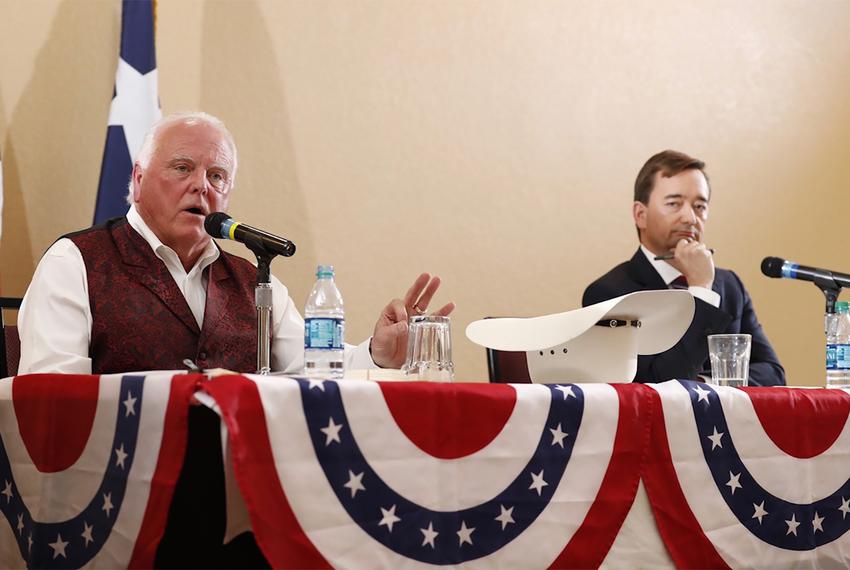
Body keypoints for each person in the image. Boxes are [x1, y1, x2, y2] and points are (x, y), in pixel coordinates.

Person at [17, 111, 454, 375]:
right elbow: (51, 397)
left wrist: (378, 354)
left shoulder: (252, 279)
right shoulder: (77, 262)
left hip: (241, 488)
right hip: (120, 490)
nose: (200, 187)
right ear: (138, 178)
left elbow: (318, 371)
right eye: (182, 168)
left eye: (216, 176)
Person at [582, 150, 785, 386]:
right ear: (640, 215)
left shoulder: (730, 285)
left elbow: (773, 374)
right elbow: (655, 383)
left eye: (700, 206)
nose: (690, 218)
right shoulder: (609, 293)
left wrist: (704, 383)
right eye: (674, 204)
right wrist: (700, 290)